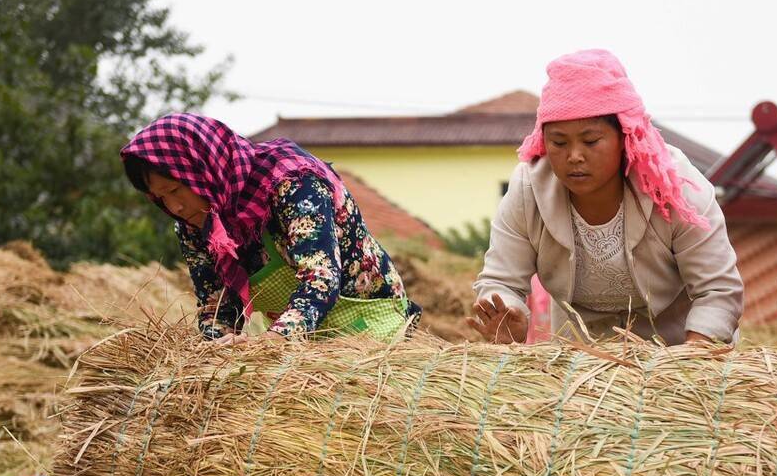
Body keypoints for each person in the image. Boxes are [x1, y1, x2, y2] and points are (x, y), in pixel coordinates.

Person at [470, 49, 743, 346]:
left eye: (591, 141)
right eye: (558, 142)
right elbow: (501, 280)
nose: (574, 156)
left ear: (624, 137)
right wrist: (506, 311)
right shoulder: (529, 189)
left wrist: (687, 362)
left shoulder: (674, 185)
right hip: (580, 362)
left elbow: (717, 290)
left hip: (678, 352)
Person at [122, 114, 417, 343]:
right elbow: (215, 304)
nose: (175, 207)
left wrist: (275, 341)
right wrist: (214, 348)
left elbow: (321, 276)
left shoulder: (294, 185)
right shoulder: (197, 224)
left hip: (368, 323)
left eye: (175, 190)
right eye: (161, 198)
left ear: (202, 171)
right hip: (298, 342)